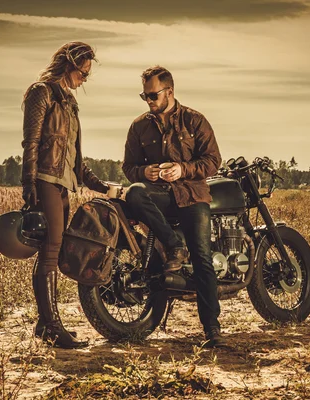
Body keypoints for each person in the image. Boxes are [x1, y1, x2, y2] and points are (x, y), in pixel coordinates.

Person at [122, 66, 225, 348]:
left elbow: (213, 160)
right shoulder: (139, 126)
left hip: (192, 195)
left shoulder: (195, 120)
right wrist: (146, 174)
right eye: (144, 96)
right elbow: (129, 168)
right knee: (134, 193)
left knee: (203, 258)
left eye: (152, 95)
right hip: (159, 196)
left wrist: (183, 169)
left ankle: (212, 329)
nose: (148, 101)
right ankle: (172, 245)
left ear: (170, 91)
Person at [21, 41, 114, 348]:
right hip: (46, 179)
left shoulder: (70, 102)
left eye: (87, 74)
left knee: (56, 250)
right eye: (83, 72)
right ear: (69, 65)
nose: (85, 79)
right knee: (50, 251)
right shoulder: (42, 92)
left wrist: (101, 185)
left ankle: (45, 324)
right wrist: (29, 185)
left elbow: (75, 157)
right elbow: (31, 143)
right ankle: (50, 326)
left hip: (63, 182)